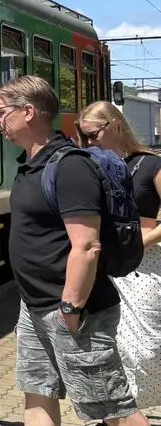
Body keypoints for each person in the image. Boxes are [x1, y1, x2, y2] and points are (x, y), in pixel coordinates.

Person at [0, 75, 149, 426]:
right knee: (37, 395)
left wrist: (71, 307)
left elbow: (87, 245)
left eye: (0, 112)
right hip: (34, 307)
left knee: (113, 411)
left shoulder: (69, 166)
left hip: (74, 309)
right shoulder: (30, 165)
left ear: (28, 112)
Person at [76, 101, 161, 411]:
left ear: (113, 125)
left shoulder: (150, 165)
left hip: (143, 269)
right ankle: (118, 414)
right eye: (83, 137)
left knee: (145, 349)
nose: (88, 143)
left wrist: (141, 243)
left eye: (92, 135)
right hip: (103, 268)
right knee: (109, 349)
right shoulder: (91, 166)